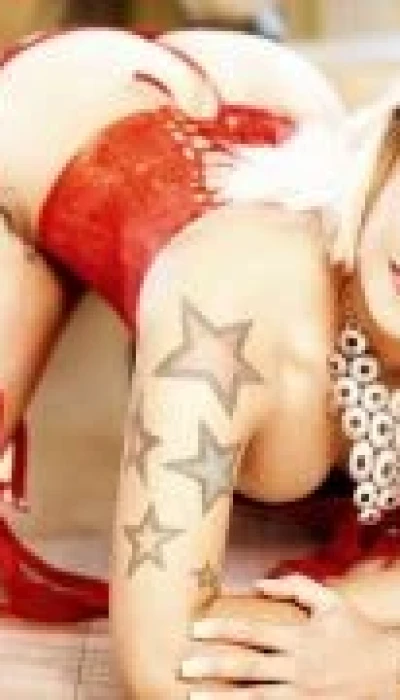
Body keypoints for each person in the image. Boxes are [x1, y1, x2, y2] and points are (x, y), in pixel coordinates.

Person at [1, 27, 399, 698]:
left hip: (274, 107)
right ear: (388, 155)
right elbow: (161, 659)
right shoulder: (237, 295)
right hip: (64, 107)